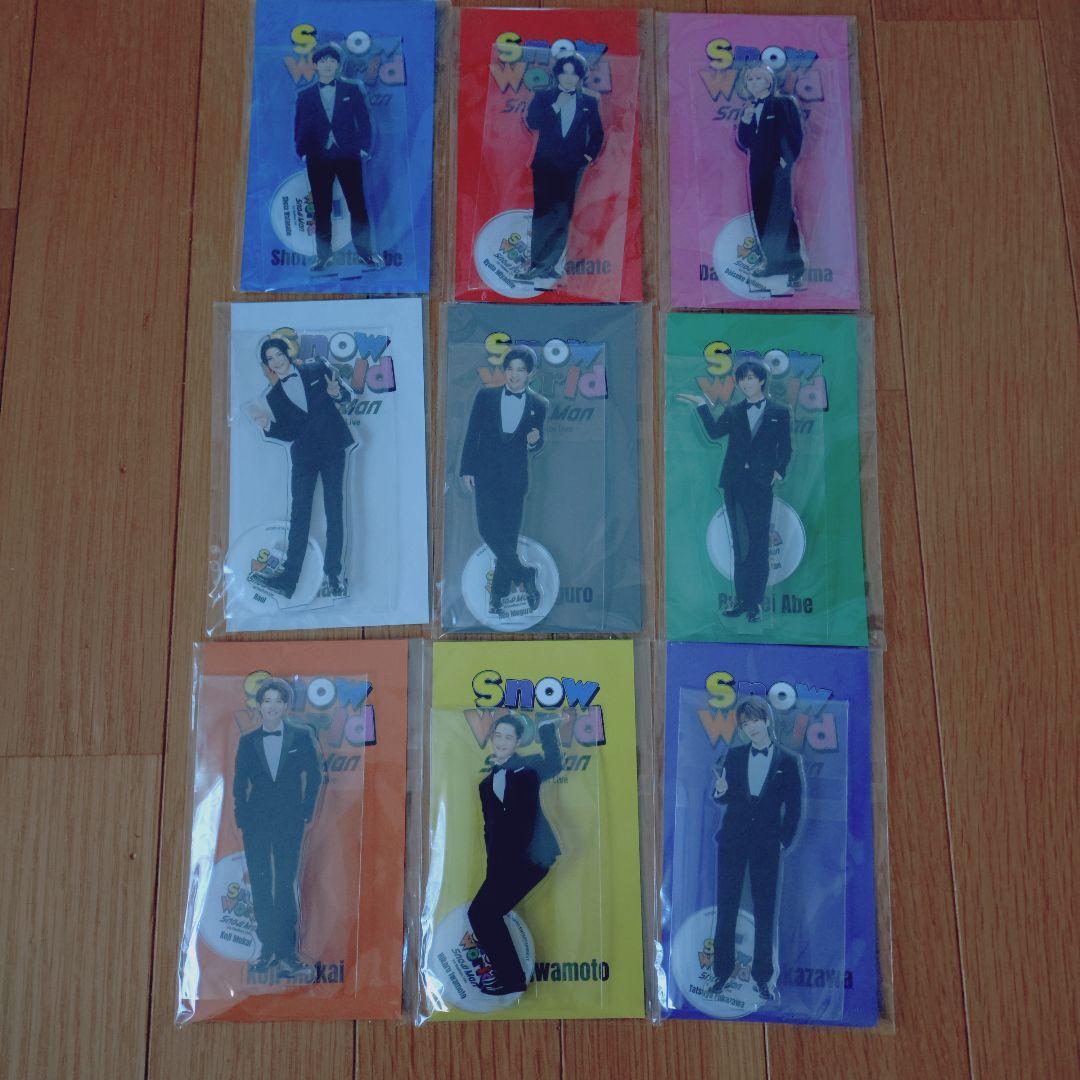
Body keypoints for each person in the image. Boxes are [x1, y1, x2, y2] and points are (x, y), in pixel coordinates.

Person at [677, 360, 792, 623]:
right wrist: (701, 404)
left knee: (759, 543)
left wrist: (778, 471)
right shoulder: (734, 411)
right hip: (734, 483)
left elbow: (785, 447)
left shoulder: (779, 412)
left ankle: (755, 604)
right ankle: (741, 601)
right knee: (740, 543)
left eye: (750, 378)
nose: (745, 383)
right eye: (742, 379)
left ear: (761, 380)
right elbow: (714, 432)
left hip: (761, 485)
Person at [710, 697, 802, 1001]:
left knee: (765, 911)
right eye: (745, 724)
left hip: (767, 846)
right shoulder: (734, 755)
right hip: (732, 842)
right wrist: (720, 792)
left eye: (755, 721)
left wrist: (783, 840)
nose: (751, 728)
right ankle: (721, 974)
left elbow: (795, 806)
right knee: (726, 908)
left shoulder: (788, 761)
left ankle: (764, 978)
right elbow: (725, 796)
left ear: (767, 720)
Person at [249, 337, 355, 601]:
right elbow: (289, 432)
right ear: (268, 365)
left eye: (278, 354)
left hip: (332, 448)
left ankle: (334, 577)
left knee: (334, 510)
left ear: (287, 353)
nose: (276, 361)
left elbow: (346, 397)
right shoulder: (273, 395)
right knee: (299, 515)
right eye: (270, 359)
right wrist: (267, 426)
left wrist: (336, 393)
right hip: (304, 457)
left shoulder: (317, 368)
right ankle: (288, 580)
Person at [233, 678, 324, 977]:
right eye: (267, 701)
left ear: (286, 706)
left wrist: (305, 811)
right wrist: (242, 816)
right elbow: (239, 782)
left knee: (285, 883)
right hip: (256, 823)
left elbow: (314, 775)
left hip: (290, 821)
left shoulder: (301, 736)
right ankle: (267, 950)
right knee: (260, 884)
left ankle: (287, 950)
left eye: (278, 701)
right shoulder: (247, 741)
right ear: (259, 706)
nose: (272, 706)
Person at [468, 714, 564, 995]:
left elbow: (555, 764)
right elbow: (490, 832)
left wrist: (547, 728)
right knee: (482, 914)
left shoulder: (528, 768)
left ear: (517, 742)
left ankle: (511, 980)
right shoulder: (485, 785)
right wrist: (492, 875)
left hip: (533, 858)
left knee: (483, 914)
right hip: (504, 863)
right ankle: (511, 979)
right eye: (498, 735)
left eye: (508, 737)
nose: (501, 742)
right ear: (491, 738)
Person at [460, 345, 548, 617]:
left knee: (507, 539)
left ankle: (497, 599)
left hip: (515, 478)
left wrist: (535, 441)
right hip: (485, 474)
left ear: (530, 374)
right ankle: (525, 574)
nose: (514, 375)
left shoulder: (539, 405)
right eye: (509, 369)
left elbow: (537, 442)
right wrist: (466, 469)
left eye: (520, 370)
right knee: (487, 529)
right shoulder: (485, 397)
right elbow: (472, 433)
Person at [294, 43, 383, 272]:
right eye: (323, 61)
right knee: (321, 207)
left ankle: (366, 254)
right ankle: (323, 257)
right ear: (315, 65)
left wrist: (363, 147)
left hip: (348, 155)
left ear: (338, 64)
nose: (327, 65)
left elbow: (363, 120)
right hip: (317, 157)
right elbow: (300, 125)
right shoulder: (305, 95)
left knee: (357, 206)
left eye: (331, 61)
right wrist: (302, 151)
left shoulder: (352, 90)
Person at [519, 53, 604, 283]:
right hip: (545, 165)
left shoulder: (589, 102)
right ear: (557, 75)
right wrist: (557, 106)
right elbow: (533, 121)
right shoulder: (543, 97)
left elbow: (598, 133)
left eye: (573, 73)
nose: (568, 77)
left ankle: (550, 265)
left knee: (564, 215)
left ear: (580, 77)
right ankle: (536, 265)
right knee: (543, 213)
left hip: (572, 167)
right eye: (564, 72)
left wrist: (587, 156)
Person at [735, 65, 805, 290]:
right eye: (750, 79)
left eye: (758, 78)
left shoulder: (783, 104)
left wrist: (786, 161)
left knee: (783, 216)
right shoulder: (750, 108)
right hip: (757, 171)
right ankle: (773, 263)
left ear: (768, 81)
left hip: (777, 170)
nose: (753, 82)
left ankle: (794, 267)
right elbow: (745, 142)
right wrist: (746, 121)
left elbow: (794, 134)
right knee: (763, 216)